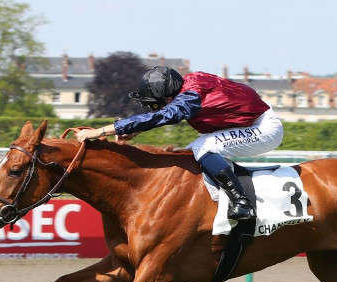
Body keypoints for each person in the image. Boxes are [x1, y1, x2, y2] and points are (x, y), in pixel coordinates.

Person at [75, 66, 284, 222]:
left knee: (203, 147)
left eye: (156, 103)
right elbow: (164, 114)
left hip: (264, 128)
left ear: (168, 96)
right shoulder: (189, 85)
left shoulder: (190, 96)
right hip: (249, 123)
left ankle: (242, 202)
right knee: (191, 151)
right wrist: (135, 129)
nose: (155, 108)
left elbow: (164, 116)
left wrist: (101, 131)